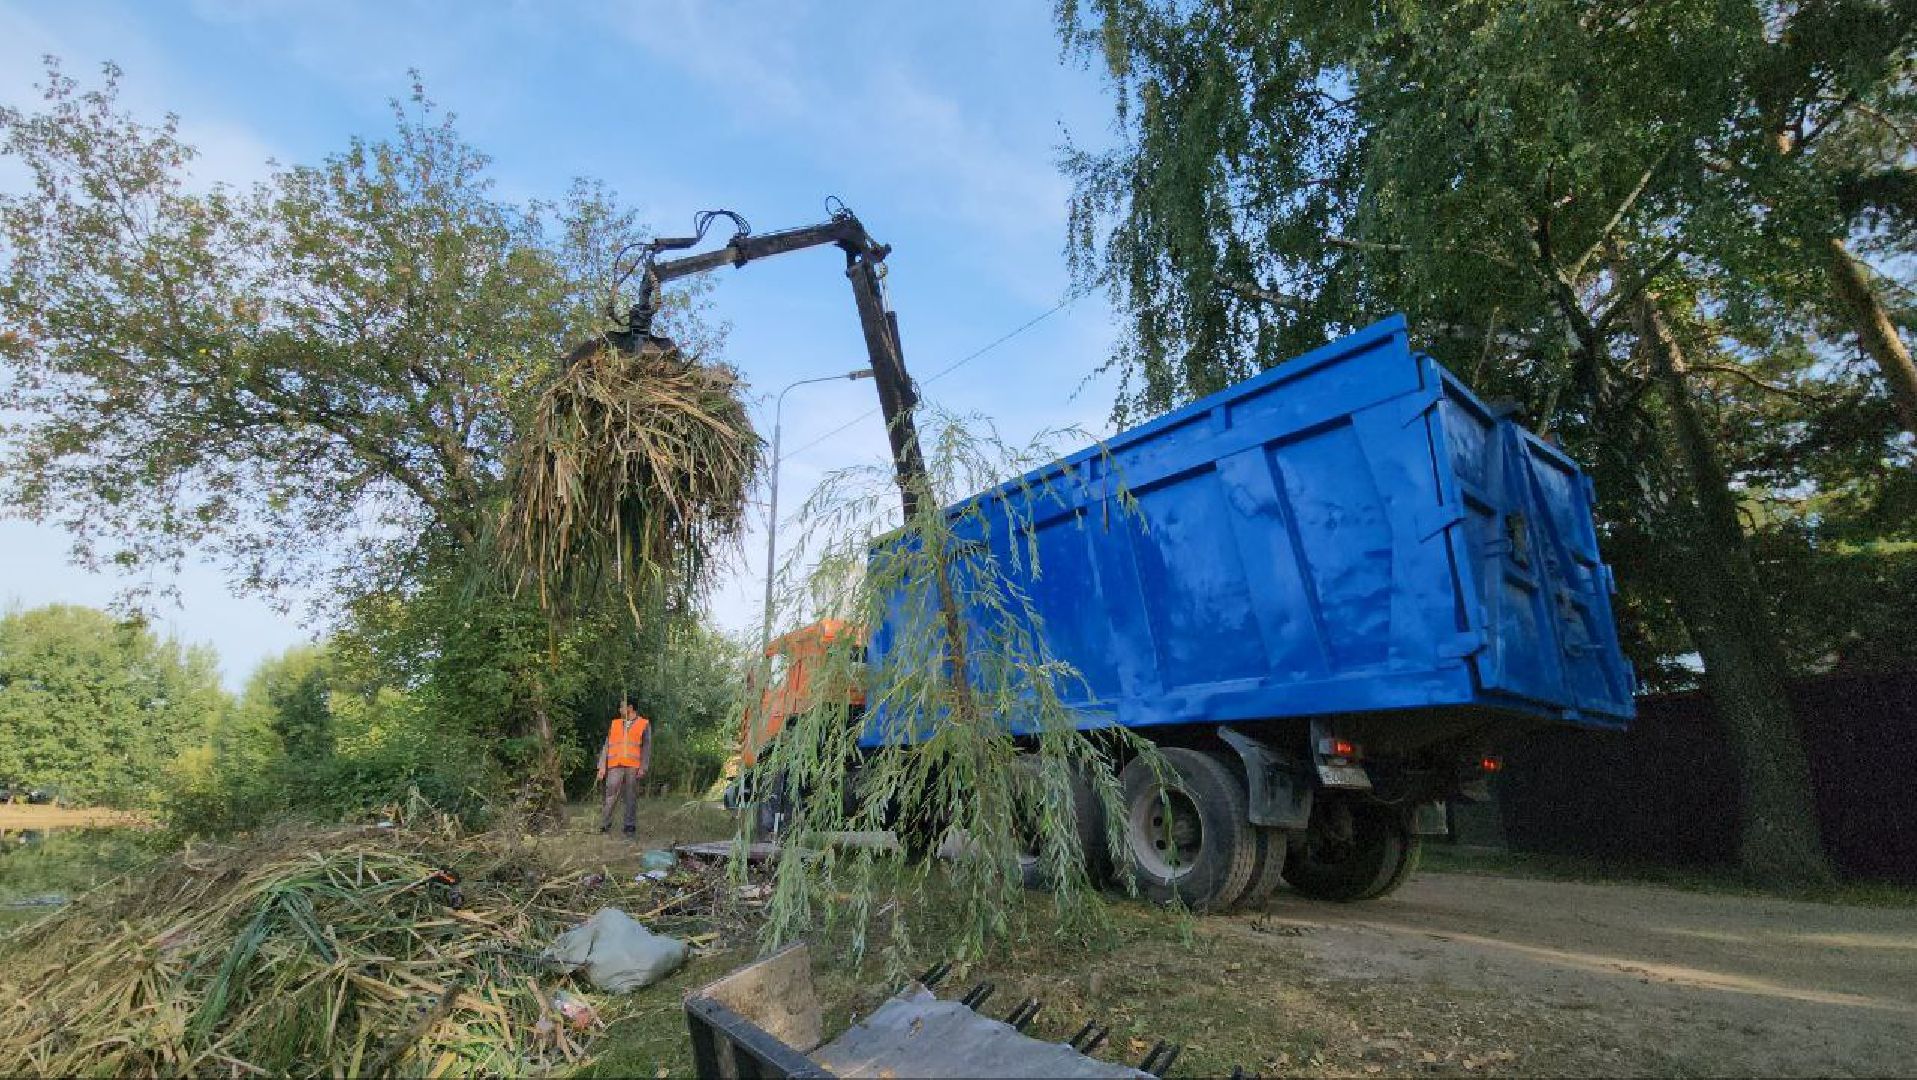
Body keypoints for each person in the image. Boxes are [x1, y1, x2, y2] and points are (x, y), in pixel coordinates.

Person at [596, 701, 652, 836]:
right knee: (610, 796)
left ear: (630, 708)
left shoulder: (644, 724)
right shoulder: (615, 723)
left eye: (621, 706)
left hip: (633, 767)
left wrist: (643, 767)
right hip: (615, 765)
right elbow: (607, 745)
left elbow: (646, 747)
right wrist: (602, 766)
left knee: (630, 797)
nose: (619, 708)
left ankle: (629, 827)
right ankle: (605, 826)